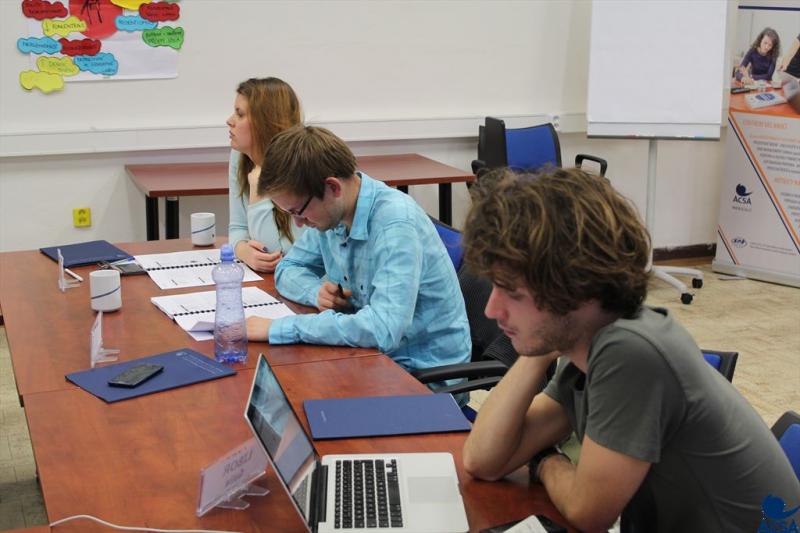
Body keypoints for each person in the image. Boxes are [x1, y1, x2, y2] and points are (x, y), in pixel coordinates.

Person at [461, 168, 799, 531]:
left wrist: (546, 461)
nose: (491, 310)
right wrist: (539, 352)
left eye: (513, 293)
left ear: (575, 288)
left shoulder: (629, 352)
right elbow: (483, 460)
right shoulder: (587, 344)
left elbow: (588, 512)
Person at [245, 125, 471, 394]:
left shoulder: (394, 224)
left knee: (299, 399)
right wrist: (316, 293)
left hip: (422, 377)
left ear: (332, 187)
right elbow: (288, 268)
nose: (299, 224)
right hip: (371, 356)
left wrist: (279, 328)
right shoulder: (334, 212)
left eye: (299, 212)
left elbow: (383, 329)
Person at [226, 77, 303, 272]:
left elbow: (277, 254)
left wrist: (257, 189)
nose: (229, 121)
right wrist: (243, 251)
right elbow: (237, 228)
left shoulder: (301, 163)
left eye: (240, 114)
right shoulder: (239, 155)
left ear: (264, 123)